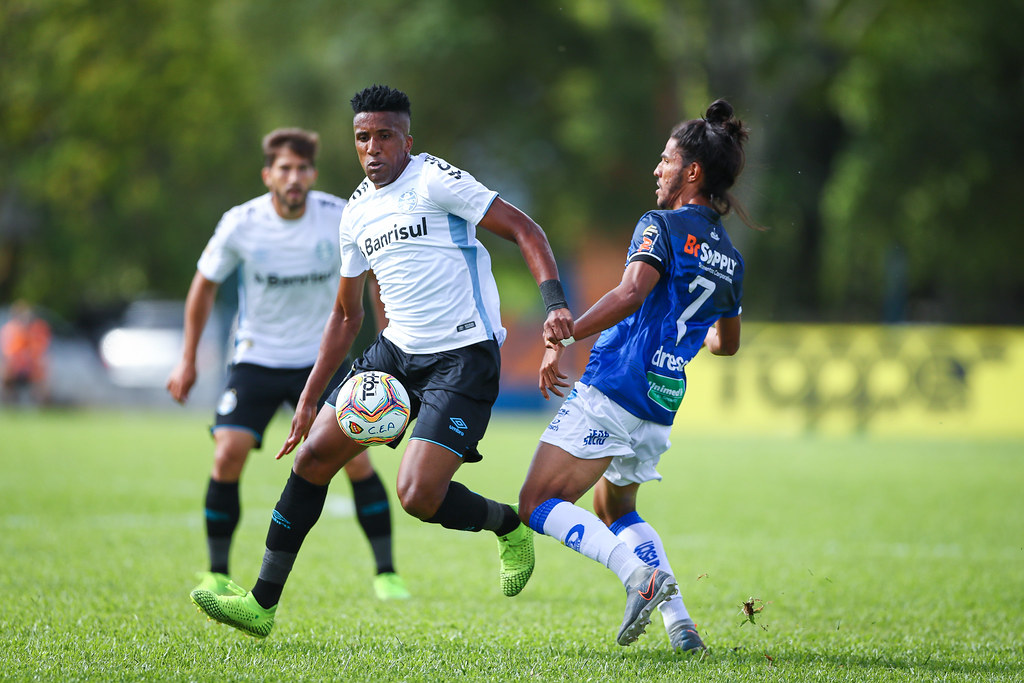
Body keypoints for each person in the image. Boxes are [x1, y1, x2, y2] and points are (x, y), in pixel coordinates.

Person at [189, 84, 574, 638]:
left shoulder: (436, 179)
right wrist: (308, 399)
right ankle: (261, 603)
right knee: (314, 457)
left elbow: (525, 230)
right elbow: (346, 316)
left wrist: (555, 305)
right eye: (362, 137)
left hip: (463, 356)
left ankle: (507, 524)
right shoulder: (355, 212)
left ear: (406, 140)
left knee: (418, 496)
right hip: (396, 352)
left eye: (384, 136)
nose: (372, 148)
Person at [519, 99, 758, 652]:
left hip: (617, 385)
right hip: (661, 400)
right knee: (616, 507)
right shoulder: (731, 258)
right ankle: (681, 626)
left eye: (665, 160)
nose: (658, 169)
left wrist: (567, 332)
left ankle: (639, 577)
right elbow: (726, 343)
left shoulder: (662, 225)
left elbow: (631, 292)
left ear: (691, 172)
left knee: (535, 502)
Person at [167, 127, 410, 603]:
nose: (294, 177)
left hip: (319, 361)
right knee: (227, 453)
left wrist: (389, 338)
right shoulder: (241, 222)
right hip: (257, 357)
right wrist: (188, 358)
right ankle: (217, 572)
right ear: (268, 175)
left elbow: (378, 277)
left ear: (313, 174)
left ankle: (387, 574)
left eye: (302, 169)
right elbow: (203, 286)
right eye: (285, 169)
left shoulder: (340, 215)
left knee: (356, 459)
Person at [1, 300, 51, 405]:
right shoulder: (11, 330)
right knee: (5, 373)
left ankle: (39, 404)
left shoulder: (35, 330)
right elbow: (9, 353)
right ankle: (8, 402)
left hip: (30, 367)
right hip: (15, 366)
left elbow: (38, 351)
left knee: (42, 373)